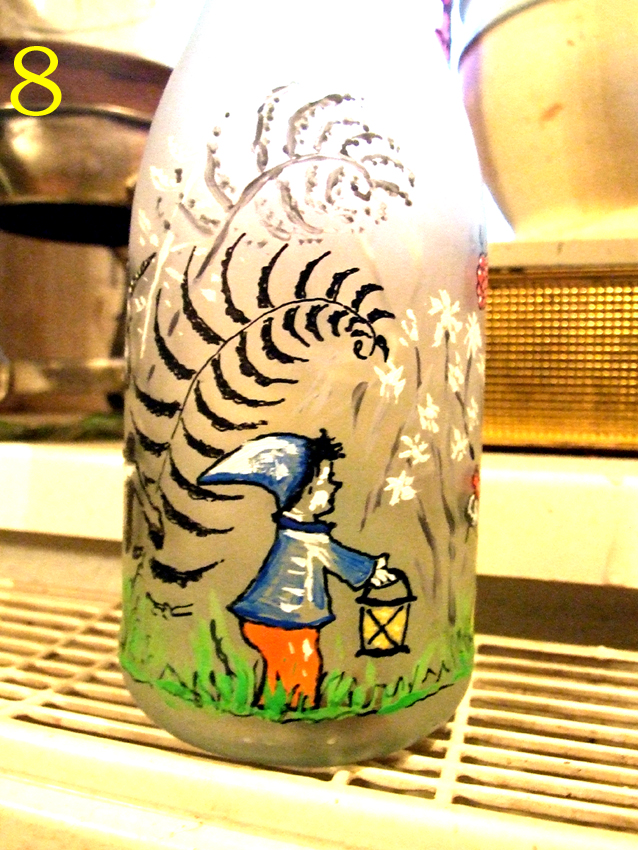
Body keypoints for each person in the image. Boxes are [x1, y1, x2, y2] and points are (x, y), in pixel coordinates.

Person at [198, 429, 393, 709]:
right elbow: (338, 559)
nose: (334, 486)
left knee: (284, 665)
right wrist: (371, 571)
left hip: (271, 619)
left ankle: (272, 704)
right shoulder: (307, 538)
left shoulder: (296, 533)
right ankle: (294, 706)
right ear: (304, 492)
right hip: (284, 620)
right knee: (302, 662)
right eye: (326, 481)